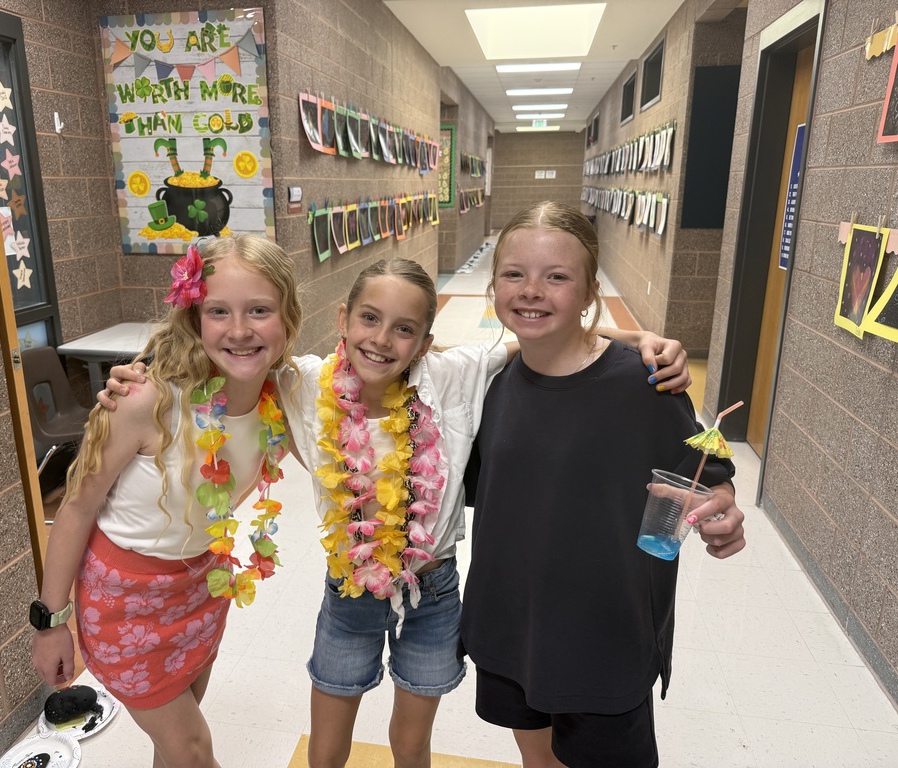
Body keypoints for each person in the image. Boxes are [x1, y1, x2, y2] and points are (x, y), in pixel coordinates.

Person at [99, 256, 716, 768]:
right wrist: (137, 376)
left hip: (433, 593)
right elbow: (228, 355)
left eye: (403, 329)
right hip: (348, 592)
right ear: (343, 319)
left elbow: (543, 340)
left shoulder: (451, 374)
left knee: (411, 742)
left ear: (425, 341)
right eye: (369, 318)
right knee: (327, 746)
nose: (381, 339)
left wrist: (637, 340)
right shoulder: (301, 383)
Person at [460, 201, 745, 768]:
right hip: (512, 623)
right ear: (493, 287)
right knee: (537, 758)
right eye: (514, 274)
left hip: (604, 637)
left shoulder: (645, 385)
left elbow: (710, 480)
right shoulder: (486, 383)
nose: (531, 290)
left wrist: (721, 511)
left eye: (557, 277)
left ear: (591, 291)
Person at [31, 234, 302, 768]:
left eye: (259, 310)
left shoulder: (285, 400)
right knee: (193, 749)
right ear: (194, 317)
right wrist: (52, 623)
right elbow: (77, 509)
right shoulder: (145, 401)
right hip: (123, 603)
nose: (239, 330)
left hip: (202, 586)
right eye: (219, 311)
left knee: (173, 746)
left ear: (288, 317)